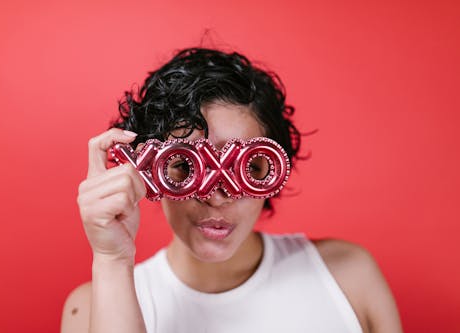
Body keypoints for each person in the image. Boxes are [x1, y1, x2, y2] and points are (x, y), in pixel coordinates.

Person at [61, 48, 403, 333]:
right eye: (184, 165)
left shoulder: (348, 277)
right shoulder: (93, 308)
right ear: (148, 172)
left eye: (249, 167)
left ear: (272, 170)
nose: (216, 195)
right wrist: (112, 260)